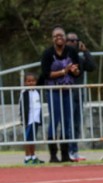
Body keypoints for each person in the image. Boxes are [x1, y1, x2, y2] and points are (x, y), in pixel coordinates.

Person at [40, 25, 81, 163]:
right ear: (52, 39)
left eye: (61, 35)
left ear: (65, 38)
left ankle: (65, 153)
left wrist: (74, 71)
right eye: (56, 36)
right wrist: (64, 71)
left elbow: (77, 71)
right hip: (53, 90)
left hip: (67, 90)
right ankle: (53, 154)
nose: (59, 38)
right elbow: (46, 74)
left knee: (67, 121)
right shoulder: (48, 53)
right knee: (55, 119)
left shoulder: (71, 51)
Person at [65, 32, 96, 162]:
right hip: (67, 94)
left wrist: (86, 51)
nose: (73, 43)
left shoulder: (79, 59)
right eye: (70, 40)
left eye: (75, 41)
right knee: (68, 124)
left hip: (78, 94)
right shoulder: (63, 58)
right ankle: (66, 151)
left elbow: (92, 67)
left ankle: (74, 151)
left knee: (76, 124)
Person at [19, 72, 44, 165]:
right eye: (29, 81)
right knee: (27, 139)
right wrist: (23, 118)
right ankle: (27, 157)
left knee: (33, 139)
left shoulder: (37, 92)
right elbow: (21, 107)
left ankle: (33, 156)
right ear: (25, 82)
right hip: (28, 120)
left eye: (33, 81)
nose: (31, 83)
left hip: (36, 119)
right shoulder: (24, 93)